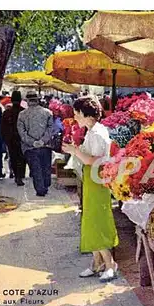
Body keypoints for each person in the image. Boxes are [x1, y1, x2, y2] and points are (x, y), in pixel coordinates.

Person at [62, 96, 119, 281]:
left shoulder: (96, 133)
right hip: (92, 178)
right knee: (90, 219)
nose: (75, 116)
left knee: (97, 220)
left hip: (97, 178)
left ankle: (110, 264)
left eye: (76, 113)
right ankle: (97, 263)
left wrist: (75, 151)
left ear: (84, 114)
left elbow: (95, 160)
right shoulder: (92, 130)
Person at [17, 91, 54, 196]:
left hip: (29, 147)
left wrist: (33, 142)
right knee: (46, 167)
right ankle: (45, 186)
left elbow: (21, 132)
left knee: (36, 168)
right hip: (45, 145)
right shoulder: (48, 112)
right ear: (38, 100)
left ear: (27, 101)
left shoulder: (22, 115)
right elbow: (51, 128)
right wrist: (43, 140)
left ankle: (40, 189)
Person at [2, 91, 27, 186]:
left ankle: (17, 175)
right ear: (20, 100)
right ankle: (20, 175)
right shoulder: (24, 112)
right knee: (21, 157)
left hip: (11, 139)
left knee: (13, 157)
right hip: (22, 138)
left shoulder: (7, 112)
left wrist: (6, 139)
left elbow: (3, 128)